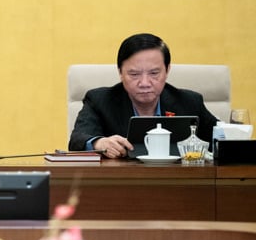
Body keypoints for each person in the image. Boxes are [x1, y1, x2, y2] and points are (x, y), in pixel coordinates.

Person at [68, 33, 218, 158]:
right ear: (120, 72)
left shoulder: (189, 102)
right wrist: (98, 143)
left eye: (154, 73)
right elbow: (77, 139)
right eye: (134, 74)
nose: (145, 83)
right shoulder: (99, 100)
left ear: (167, 70)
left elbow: (221, 138)